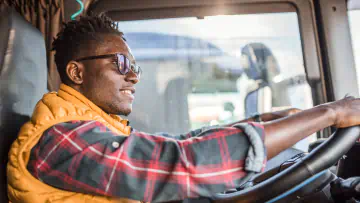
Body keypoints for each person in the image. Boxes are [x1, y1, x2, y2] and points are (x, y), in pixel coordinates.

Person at [6, 14, 360, 203]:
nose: (134, 77)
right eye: (120, 63)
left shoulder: (93, 128)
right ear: (76, 72)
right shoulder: (61, 141)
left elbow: (173, 143)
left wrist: (261, 120)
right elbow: (181, 163)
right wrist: (330, 113)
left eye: (136, 67)